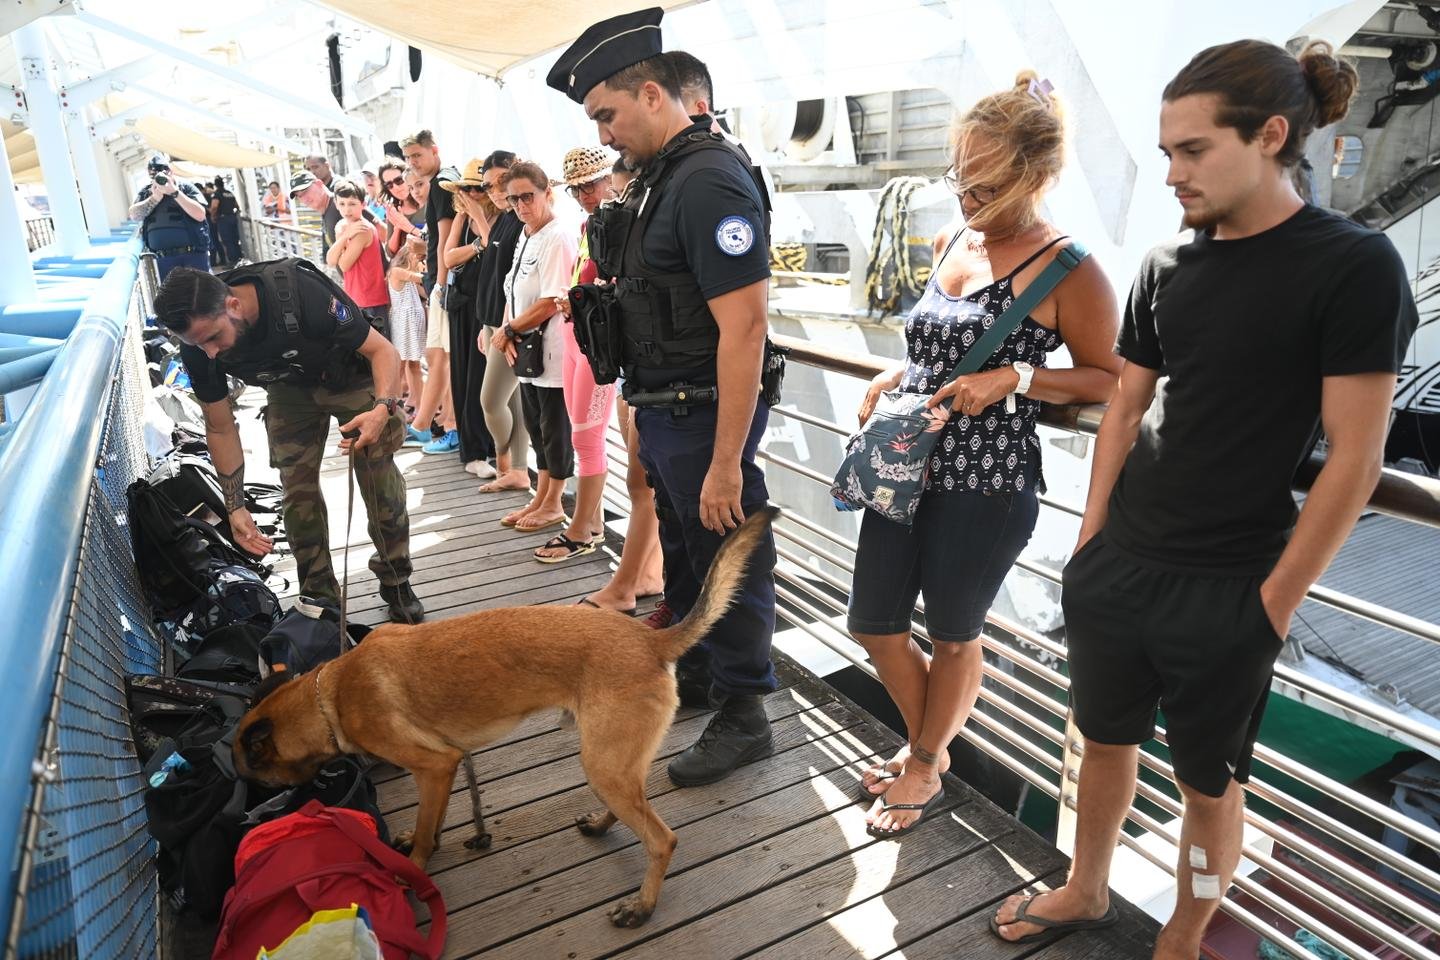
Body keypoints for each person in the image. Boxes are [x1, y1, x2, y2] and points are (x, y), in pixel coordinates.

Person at [990, 41, 1419, 957]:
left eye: (1192, 150)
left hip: (1231, 586)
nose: (1172, 172)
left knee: (1209, 785)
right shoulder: (1164, 266)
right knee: (1100, 742)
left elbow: (1356, 455)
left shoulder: (1352, 267)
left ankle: (1184, 933)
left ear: (1270, 136)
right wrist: (1091, 541)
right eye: (1166, 151)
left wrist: (1274, 604)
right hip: (1121, 565)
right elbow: (1126, 407)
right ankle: (1085, 888)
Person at [847, 74, 1121, 839]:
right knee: (873, 623)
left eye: (984, 184)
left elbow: (1112, 375)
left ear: (1034, 176)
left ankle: (924, 760)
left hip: (989, 480)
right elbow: (937, 343)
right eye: (957, 179)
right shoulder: (954, 241)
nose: (966, 198)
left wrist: (1019, 376)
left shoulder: (1070, 268)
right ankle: (928, 758)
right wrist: (898, 371)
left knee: (957, 632)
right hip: (909, 463)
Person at [548, 11, 777, 786]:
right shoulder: (663, 175)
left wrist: (726, 465)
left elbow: (744, 328)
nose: (604, 135)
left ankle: (748, 712)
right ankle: (706, 676)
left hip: (709, 409)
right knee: (685, 553)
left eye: (606, 115)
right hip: (669, 402)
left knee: (726, 555)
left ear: (651, 93)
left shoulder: (707, 178)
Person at [152, 262, 426, 624]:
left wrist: (383, 409)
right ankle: (320, 597)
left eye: (214, 338)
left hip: (350, 374)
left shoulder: (301, 294)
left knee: (378, 477)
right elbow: (219, 427)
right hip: (288, 386)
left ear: (233, 306)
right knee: (297, 490)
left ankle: (396, 579)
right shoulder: (199, 345)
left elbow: (383, 352)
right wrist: (234, 507)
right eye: (199, 345)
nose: (212, 354)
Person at [488, 161, 577, 533]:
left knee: (555, 428)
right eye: (514, 199)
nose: (522, 205)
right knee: (537, 427)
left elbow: (553, 299)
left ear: (547, 194)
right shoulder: (527, 234)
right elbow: (515, 289)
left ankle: (554, 501)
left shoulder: (558, 236)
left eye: (528, 196)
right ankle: (541, 496)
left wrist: (508, 328)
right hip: (527, 346)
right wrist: (508, 332)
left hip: (552, 348)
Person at [474, 151, 533, 495]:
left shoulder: (522, 222)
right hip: (493, 323)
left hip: (509, 325)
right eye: (487, 185)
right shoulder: (503, 219)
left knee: (491, 401)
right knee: (512, 402)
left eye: (500, 182)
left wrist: (505, 328)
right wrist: (487, 326)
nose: (494, 190)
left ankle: (505, 462)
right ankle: (520, 470)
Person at [402, 130, 462, 455]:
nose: (413, 162)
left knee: (443, 358)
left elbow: (447, 236)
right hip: (441, 282)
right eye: (409, 158)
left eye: (417, 155)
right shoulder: (443, 182)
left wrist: (440, 283)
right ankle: (428, 425)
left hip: (444, 284)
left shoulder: (441, 184)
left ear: (434, 150)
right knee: (437, 356)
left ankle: (444, 427)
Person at [439, 159, 499, 479]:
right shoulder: (462, 218)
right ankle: (472, 449)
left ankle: (488, 446)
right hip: (463, 304)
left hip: (488, 305)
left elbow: (496, 249)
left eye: (479, 188)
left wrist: (479, 221)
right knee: (464, 376)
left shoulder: (499, 217)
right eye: (467, 188)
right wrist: (475, 241)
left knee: (486, 379)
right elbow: (448, 258)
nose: (472, 194)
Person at [325, 178, 391, 337]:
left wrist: (342, 241)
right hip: (353, 298)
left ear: (363, 204)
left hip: (371, 300)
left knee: (379, 352)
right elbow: (331, 261)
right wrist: (344, 237)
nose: (347, 209)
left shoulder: (363, 229)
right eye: (342, 204)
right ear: (335, 204)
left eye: (352, 204)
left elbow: (344, 265)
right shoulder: (342, 226)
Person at [129, 155, 211, 280]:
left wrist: (175, 193)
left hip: (192, 255)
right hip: (162, 259)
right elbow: (134, 215)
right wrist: (154, 198)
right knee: (173, 299)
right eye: (153, 174)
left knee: (200, 297)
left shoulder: (186, 188)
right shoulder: (147, 192)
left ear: (170, 171)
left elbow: (200, 215)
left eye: (163, 171)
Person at [386, 242, 427, 407]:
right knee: (400, 365)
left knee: (414, 364)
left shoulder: (408, 276)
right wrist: (425, 269)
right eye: (418, 256)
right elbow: (422, 279)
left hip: (411, 323)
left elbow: (424, 291)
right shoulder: (397, 272)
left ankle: (419, 403)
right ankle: (394, 403)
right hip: (403, 323)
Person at [379, 157, 424, 257]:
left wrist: (407, 227)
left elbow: (436, 241)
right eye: (389, 185)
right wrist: (397, 228)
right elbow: (390, 252)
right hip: (405, 268)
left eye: (399, 180)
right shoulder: (393, 211)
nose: (395, 187)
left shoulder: (426, 203)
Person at [209, 175, 243, 267]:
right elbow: (237, 206)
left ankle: (233, 262)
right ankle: (239, 259)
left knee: (227, 241)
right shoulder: (229, 193)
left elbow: (214, 206)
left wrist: (213, 217)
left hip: (223, 219)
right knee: (235, 239)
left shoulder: (217, 194)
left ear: (215, 185)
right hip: (232, 217)